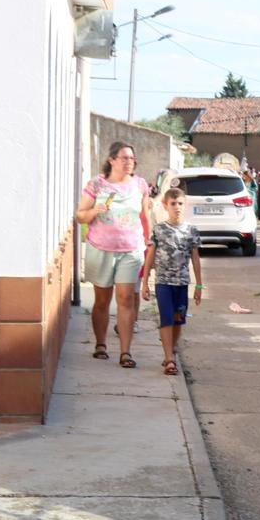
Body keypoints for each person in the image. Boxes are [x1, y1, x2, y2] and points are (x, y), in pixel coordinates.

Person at [75, 142, 152, 369]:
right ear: (112, 160)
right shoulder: (97, 184)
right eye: (124, 158)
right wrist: (94, 211)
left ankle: (125, 352)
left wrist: (150, 246)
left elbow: (145, 217)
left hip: (131, 250)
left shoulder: (140, 185)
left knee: (127, 299)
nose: (129, 162)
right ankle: (100, 344)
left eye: (132, 159)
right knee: (102, 301)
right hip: (101, 248)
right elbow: (80, 216)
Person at [140, 187, 203, 376]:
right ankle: (168, 358)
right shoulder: (159, 230)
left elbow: (195, 258)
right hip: (163, 282)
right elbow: (151, 256)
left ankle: (171, 349)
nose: (177, 207)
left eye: (180, 204)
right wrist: (145, 282)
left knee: (178, 320)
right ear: (165, 205)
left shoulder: (191, 231)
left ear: (185, 205)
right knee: (166, 319)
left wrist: (198, 285)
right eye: (173, 204)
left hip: (182, 283)